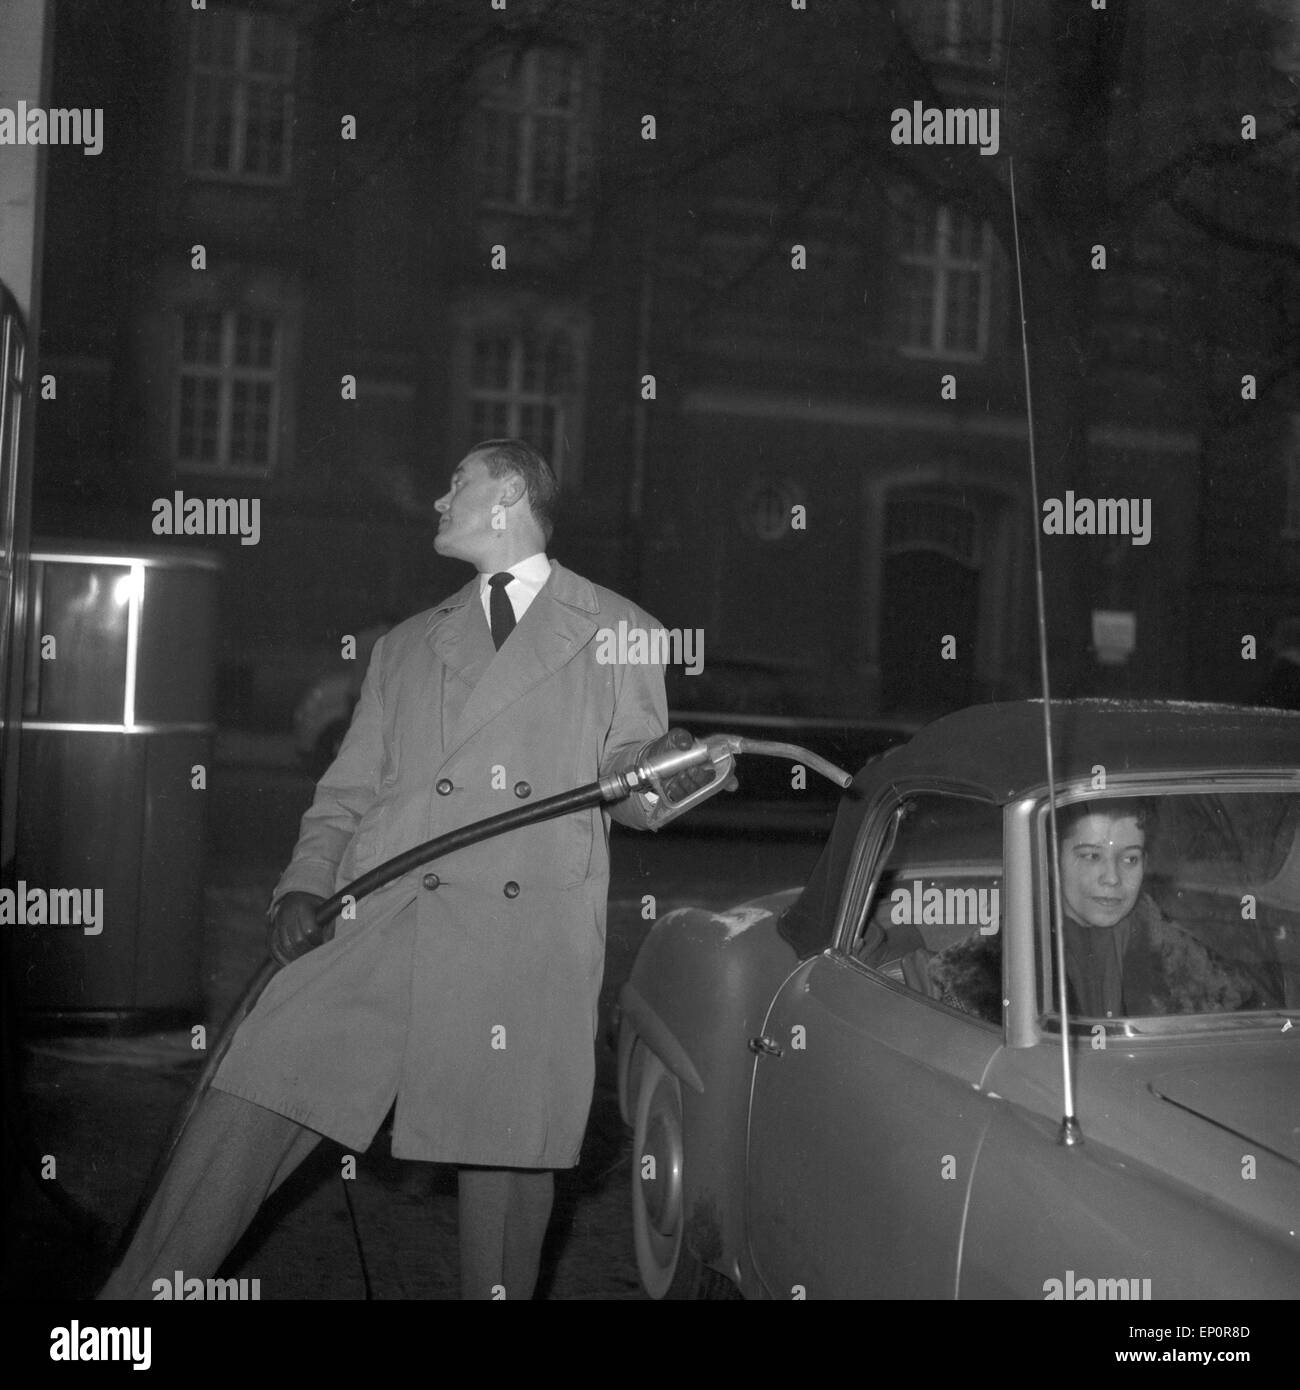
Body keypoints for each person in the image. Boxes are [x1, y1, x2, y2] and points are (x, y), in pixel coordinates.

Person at [101, 438, 710, 1300]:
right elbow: (346, 791)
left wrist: (670, 769)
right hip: (380, 914)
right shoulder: (407, 648)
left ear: (507, 497)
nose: (438, 500)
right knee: (258, 1077)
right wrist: (304, 884)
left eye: (456, 483)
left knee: (505, 1173)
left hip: (520, 938)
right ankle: (126, 1312)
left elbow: (635, 790)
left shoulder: (620, 631)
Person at [1055, 798, 1268, 1018]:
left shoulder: (1170, 947)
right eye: (1091, 856)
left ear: (1145, 864)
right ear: (1054, 860)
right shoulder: (1027, 951)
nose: (1112, 878)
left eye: (1130, 859)